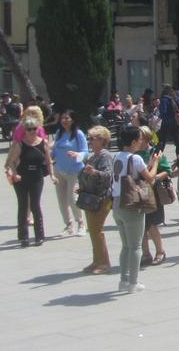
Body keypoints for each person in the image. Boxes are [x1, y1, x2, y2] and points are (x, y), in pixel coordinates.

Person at [110, 126, 159, 293]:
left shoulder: (116, 156)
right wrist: (156, 163)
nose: (141, 142)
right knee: (136, 245)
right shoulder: (135, 158)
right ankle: (133, 282)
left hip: (117, 203)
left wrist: (149, 164)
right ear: (132, 142)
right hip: (131, 204)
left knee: (125, 245)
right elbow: (150, 179)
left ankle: (123, 279)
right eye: (139, 139)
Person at [4, 117, 52, 247]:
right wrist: (15, 173)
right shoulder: (20, 144)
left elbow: (48, 161)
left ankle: (39, 236)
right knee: (23, 205)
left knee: (36, 205)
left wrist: (52, 176)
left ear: (38, 129)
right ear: (24, 130)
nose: (31, 131)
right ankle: (23, 237)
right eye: (28, 129)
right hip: (22, 177)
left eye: (34, 129)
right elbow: (11, 162)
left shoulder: (43, 143)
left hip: (37, 176)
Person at [78, 126, 115, 274]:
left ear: (102, 140)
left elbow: (108, 175)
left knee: (97, 230)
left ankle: (104, 263)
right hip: (90, 196)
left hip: (102, 197)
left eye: (93, 138)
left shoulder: (105, 156)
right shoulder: (93, 156)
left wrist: (94, 172)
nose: (90, 141)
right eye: (90, 138)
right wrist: (82, 186)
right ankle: (96, 260)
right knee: (93, 230)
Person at [49, 110, 88, 237]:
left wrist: (78, 155)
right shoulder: (59, 133)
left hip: (74, 171)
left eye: (67, 118)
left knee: (72, 198)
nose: (64, 121)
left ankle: (81, 223)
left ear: (73, 120)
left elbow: (85, 152)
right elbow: (54, 151)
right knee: (62, 200)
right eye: (62, 118)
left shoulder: (79, 134)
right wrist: (49, 155)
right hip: (59, 171)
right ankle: (68, 225)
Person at [137, 127, 171, 267]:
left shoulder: (155, 153)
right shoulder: (134, 154)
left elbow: (167, 170)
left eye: (139, 137)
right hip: (138, 192)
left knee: (151, 224)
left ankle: (160, 251)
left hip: (152, 192)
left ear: (146, 138)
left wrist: (153, 177)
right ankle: (146, 254)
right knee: (141, 225)